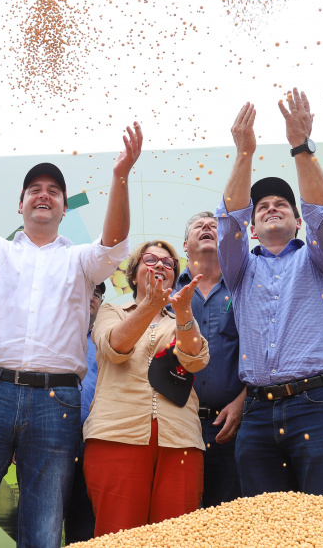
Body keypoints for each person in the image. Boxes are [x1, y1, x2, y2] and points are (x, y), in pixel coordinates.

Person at [0, 114, 141, 548]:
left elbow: (115, 244)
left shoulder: (81, 260)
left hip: (56, 402)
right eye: (34, 190)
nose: (43, 195)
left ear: (64, 208)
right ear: (21, 206)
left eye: (53, 191)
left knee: (43, 536)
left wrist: (121, 175)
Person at [217, 91, 323, 501]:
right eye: (262, 206)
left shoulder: (321, 260)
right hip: (257, 412)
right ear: (252, 227)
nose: (271, 207)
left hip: (318, 403)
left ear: (297, 222)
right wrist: (244, 154)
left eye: (282, 204)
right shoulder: (238, 269)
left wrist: (300, 146)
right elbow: (228, 223)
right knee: (267, 525)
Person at [83, 240, 207, 536]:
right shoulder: (112, 310)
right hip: (116, 434)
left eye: (169, 262)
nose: (160, 264)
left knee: (175, 539)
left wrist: (184, 314)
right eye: (150, 259)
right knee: (119, 537)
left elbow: (196, 360)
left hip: (180, 438)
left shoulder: (182, 318)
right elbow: (116, 347)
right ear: (134, 273)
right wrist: (150, 305)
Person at [177, 211, 244, 508]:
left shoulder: (244, 288)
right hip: (177, 427)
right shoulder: (168, 292)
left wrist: (242, 403)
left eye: (214, 226)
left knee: (228, 520)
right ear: (185, 245)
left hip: (231, 427)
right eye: (198, 226)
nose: (206, 227)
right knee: (180, 519)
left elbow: (262, 353)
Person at [64, 282, 105, 544]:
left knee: (84, 528)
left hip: (91, 443)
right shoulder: (55, 335)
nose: (92, 298)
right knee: (42, 522)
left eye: (97, 294)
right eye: (87, 291)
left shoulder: (106, 340)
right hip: (51, 438)